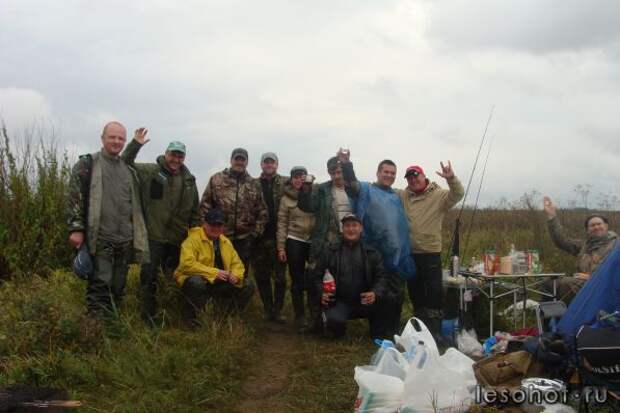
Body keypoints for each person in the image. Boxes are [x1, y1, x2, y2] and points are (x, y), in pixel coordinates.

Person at [67, 121, 149, 318]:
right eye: (112, 137)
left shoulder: (128, 169)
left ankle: (112, 328)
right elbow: (74, 197)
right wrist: (76, 228)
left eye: (121, 138)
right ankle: (95, 332)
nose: (116, 141)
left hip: (124, 239)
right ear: (102, 138)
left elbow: (126, 157)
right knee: (100, 284)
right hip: (100, 237)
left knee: (118, 286)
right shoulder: (88, 163)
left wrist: (136, 144)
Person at [121, 129, 200, 324]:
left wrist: (195, 236)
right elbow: (125, 163)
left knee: (174, 278)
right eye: (173, 154)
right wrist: (135, 144)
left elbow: (195, 212)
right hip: (153, 237)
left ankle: (171, 314)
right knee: (149, 278)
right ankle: (148, 317)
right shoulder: (150, 171)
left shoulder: (190, 180)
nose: (176, 159)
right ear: (166, 154)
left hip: (177, 239)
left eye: (180, 155)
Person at [399, 162, 464, 340]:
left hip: (431, 254)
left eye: (416, 176)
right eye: (410, 178)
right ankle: (419, 331)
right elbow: (384, 189)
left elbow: (458, 194)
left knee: (433, 295)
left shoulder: (439, 195)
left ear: (423, 176)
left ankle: (434, 334)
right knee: (416, 294)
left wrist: (451, 178)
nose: (413, 180)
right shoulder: (404, 196)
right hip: (411, 255)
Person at [312, 213, 401, 340]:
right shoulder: (329, 251)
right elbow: (316, 276)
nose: (351, 229)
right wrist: (321, 293)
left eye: (354, 225)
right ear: (342, 229)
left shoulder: (372, 252)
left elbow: (382, 277)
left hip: (364, 302)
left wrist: (375, 293)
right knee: (334, 330)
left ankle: (381, 332)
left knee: (390, 297)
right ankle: (331, 325)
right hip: (339, 302)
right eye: (347, 226)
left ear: (361, 228)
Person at [174, 210, 255, 322]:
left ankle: (225, 317)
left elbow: (237, 264)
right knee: (196, 283)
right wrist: (213, 273)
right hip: (198, 281)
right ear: (205, 224)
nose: (216, 228)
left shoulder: (225, 242)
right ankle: (196, 320)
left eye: (219, 225)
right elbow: (186, 264)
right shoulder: (192, 239)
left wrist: (235, 276)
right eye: (212, 224)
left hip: (218, 282)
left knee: (247, 285)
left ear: (223, 227)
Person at [199, 148, 268, 277]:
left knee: (239, 277)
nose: (240, 162)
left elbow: (262, 213)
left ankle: (238, 297)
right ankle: (216, 297)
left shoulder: (254, 184)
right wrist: (206, 232)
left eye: (243, 160)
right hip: (219, 237)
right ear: (231, 160)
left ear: (247, 162)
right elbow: (204, 206)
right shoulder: (216, 179)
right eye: (237, 159)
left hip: (244, 240)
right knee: (217, 274)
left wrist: (254, 235)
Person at [543, 196, 618, 303]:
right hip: (583, 284)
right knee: (550, 283)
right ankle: (550, 318)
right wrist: (552, 216)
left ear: (606, 226)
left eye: (599, 224)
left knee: (563, 285)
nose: (596, 227)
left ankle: (566, 316)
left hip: (605, 286)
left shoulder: (616, 245)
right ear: (588, 230)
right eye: (592, 225)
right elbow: (562, 241)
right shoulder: (584, 245)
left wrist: (592, 277)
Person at [277, 166, 316, 332]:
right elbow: (282, 223)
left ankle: (316, 314)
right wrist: (281, 247)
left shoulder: (315, 194)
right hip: (294, 240)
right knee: (297, 280)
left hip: (313, 241)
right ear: (291, 179)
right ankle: (300, 316)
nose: (299, 180)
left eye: (302, 177)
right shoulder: (286, 199)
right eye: (296, 177)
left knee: (315, 277)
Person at [251, 152, 288, 323]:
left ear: (277, 164)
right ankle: (268, 309)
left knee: (280, 277)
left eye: (271, 162)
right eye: (265, 162)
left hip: (278, 238)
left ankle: (278, 310)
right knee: (261, 276)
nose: (268, 165)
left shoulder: (286, 182)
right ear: (261, 165)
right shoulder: (252, 184)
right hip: (258, 238)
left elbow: (304, 185)